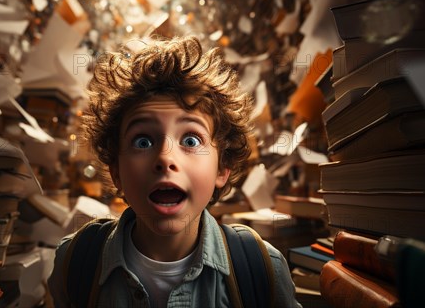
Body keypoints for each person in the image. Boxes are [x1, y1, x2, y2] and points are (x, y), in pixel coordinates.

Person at [48, 36, 301, 307]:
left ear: (222, 167)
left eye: (191, 140)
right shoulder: (75, 262)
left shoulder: (262, 269)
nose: (165, 158)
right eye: (143, 141)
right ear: (116, 171)